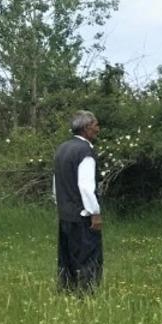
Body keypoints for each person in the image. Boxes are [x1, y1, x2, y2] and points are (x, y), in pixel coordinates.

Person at [52, 110, 104, 294]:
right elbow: (85, 186)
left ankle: (66, 292)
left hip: (65, 214)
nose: (98, 128)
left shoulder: (62, 149)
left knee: (66, 257)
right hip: (82, 215)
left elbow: (55, 183)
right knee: (88, 257)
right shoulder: (85, 151)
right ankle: (87, 295)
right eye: (96, 124)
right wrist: (95, 213)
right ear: (86, 128)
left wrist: (60, 205)